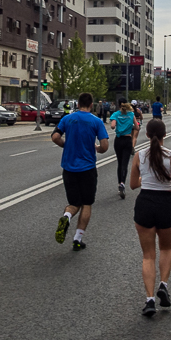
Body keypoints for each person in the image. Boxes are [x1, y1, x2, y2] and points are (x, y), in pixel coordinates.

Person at [131, 118, 171, 317]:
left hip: (145, 203)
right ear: (164, 135)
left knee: (148, 255)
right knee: (166, 248)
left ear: (146, 135)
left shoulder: (139, 155)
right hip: (165, 203)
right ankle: (164, 284)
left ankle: (150, 299)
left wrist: (145, 178)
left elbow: (133, 185)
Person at [52, 92, 110, 250]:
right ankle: (77, 238)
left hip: (69, 167)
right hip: (87, 168)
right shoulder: (96, 121)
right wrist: (97, 148)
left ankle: (67, 216)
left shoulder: (67, 119)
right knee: (87, 203)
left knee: (73, 203)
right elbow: (104, 146)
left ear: (77, 104)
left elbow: (55, 137)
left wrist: (65, 145)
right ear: (91, 105)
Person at [109, 100, 139, 199]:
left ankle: (119, 185)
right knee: (125, 164)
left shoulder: (116, 114)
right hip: (127, 140)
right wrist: (131, 125)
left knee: (119, 162)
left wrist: (118, 124)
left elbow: (112, 126)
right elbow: (137, 127)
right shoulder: (131, 114)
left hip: (118, 140)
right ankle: (123, 183)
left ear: (118, 105)